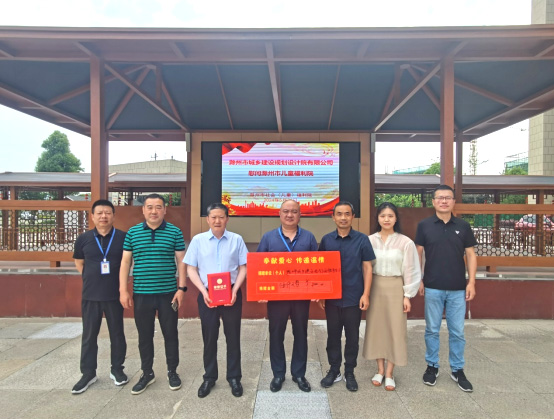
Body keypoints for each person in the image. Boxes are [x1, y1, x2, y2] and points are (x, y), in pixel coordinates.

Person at [119, 193, 187, 395]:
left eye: (158, 207)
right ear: (143, 210)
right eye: (149, 207)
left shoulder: (174, 232)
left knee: (171, 334)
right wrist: (123, 290)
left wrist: (182, 289)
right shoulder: (133, 233)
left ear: (165, 210)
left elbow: (181, 261)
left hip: (168, 294)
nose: (154, 211)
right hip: (142, 293)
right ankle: (147, 373)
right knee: (144, 336)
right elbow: (125, 262)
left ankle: (172, 371)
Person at [415, 185, 477, 392]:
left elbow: (471, 255)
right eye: (440, 198)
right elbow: (418, 253)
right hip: (432, 287)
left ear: (453, 201)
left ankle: (457, 369)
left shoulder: (463, 226)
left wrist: (471, 282)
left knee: (457, 331)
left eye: (448, 198)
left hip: (458, 288)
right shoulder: (424, 225)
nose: (444, 201)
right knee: (432, 330)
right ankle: (432, 366)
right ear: (433, 202)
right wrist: (419, 279)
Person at [184, 203, 247, 398]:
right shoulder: (198, 240)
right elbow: (191, 268)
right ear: (208, 219)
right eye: (213, 217)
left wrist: (235, 290)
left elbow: (244, 267)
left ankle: (234, 377)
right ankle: (209, 377)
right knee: (209, 337)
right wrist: (203, 291)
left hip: (231, 294)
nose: (217, 221)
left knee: (233, 336)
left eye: (221, 217)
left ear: (227, 219)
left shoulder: (237, 239)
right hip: (207, 294)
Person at [257, 199, 318, 393]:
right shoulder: (268, 238)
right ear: (280, 214)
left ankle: (299, 374)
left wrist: (317, 290)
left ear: (300, 214)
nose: (289, 215)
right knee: (276, 334)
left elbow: (318, 267)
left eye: (294, 211)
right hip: (277, 297)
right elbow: (259, 265)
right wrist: (261, 291)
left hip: (301, 296)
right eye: (286, 211)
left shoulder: (309, 237)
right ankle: (278, 374)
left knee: (301, 333)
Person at [71, 199, 128, 394]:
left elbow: (128, 263)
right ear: (93, 216)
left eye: (107, 213)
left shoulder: (123, 237)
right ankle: (88, 373)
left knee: (117, 334)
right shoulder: (84, 239)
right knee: (89, 336)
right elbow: (79, 263)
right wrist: (91, 278)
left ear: (113, 216)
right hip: (91, 295)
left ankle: (117, 369)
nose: (104, 216)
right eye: (100, 213)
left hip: (114, 295)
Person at [363, 202, 421, 391]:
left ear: (396, 218)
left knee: (396, 329)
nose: (386, 219)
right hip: (375, 287)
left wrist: (407, 295)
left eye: (390, 216)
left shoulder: (405, 242)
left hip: (396, 287)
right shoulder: (369, 241)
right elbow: (365, 267)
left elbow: (411, 269)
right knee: (377, 328)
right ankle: (379, 370)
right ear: (377, 218)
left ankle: (390, 373)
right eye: (382, 216)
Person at [318, 201, 375, 392]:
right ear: (333, 217)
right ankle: (334, 370)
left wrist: (366, 294)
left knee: (352, 337)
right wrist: (321, 294)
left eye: (347, 214)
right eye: (339, 214)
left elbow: (367, 268)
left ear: (353, 216)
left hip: (353, 297)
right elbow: (321, 269)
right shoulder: (326, 240)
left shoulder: (362, 240)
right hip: (332, 298)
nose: (343, 218)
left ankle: (349, 371)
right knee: (333, 336)